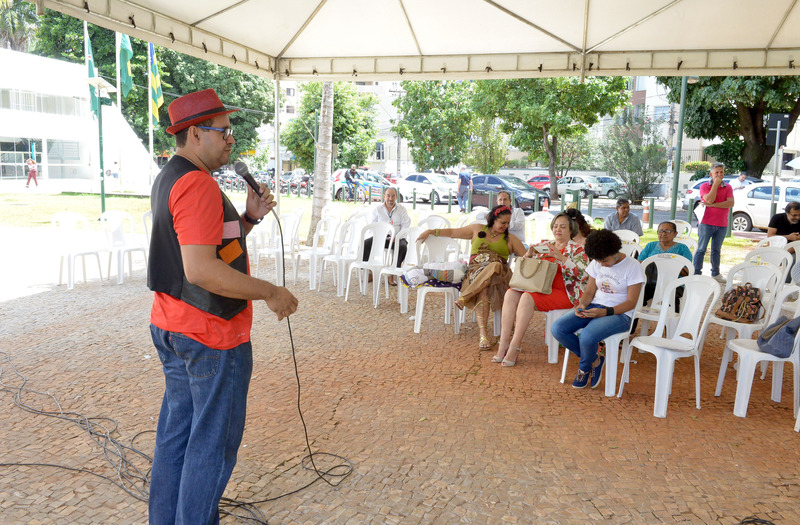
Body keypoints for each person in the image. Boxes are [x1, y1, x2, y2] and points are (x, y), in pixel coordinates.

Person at [146, 88, 298, 524]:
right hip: (209, 335)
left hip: (173, 326)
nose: (232, 139)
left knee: (177, 438)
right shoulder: (197, 185)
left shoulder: (171, 175)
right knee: (210, 447)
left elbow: (207, 251)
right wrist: (269, 291)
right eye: (224, 131)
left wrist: (248, 219)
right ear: (195, 133)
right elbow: (200, 270)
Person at [418, 205, 527, 350]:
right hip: (475, 273)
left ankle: (465, 297)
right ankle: (483, 335)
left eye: (508, 223)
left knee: (495, 265)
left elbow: (527, 257)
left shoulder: (510, 238)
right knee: (484, 290)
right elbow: (452, 232)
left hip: (500, 277)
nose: (506, 226)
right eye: (503, 223)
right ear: (493, 219)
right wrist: (432, 231)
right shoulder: (477, 229)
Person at [551, 229, 645, 389]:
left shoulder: (633, 266)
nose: (602, 264)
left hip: (620, 314)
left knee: (587, 336)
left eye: (605, 260)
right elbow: (589, 292)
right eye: (598, 261)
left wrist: (606, 312)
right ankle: (595, 360)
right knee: (558, 328)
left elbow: (631, 302)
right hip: (595, 307)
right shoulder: (597, 262)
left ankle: (583, 368)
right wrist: (582, 305)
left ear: (615, 251)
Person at [493, 213, 589, 367]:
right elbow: (527, 268)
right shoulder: (545, 245)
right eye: (555, 226)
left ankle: (515, 346)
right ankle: (503, 344)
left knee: (527, 297)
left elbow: (584, 276)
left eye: (563, 227)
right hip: (540, 286)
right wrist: (529, 255)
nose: (558, 230)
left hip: (565, 292)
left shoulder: (578, 249)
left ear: (571, 230)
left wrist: (562, 258)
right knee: (510, 293)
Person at [637, 221, 692, 312]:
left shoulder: (682, 248)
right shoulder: (651, 245)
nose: (663, 234)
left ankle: (671, 320)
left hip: (673, 285)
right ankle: (631, 320)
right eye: (660, 231)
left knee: (671, 301)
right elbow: (639, 264)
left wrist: (671, 265)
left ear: (675, 234)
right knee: (636, 297)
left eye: (667, 231)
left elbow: (688, 272)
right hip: (650, 283)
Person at [693, 162, 733, 282]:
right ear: (711, 174)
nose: (719, 175)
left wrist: (714, 205)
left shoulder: (728, 187)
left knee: (716, 250)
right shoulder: (704, 186)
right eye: (716, 172)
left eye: (721, 172)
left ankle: (715, 274)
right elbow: (709, 199)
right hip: (706, 222)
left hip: (722, 224)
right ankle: (696, 273)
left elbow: (730, 203)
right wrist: (715, 185)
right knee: (701, 248)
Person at [362, 187, 411, 285]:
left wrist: (397, 236)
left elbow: (406, 225)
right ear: (384, 196)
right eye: (388, 196)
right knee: (365, 244)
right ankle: (370, 271)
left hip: (397, 238)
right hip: (381, 238)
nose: (390, 199)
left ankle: (392, 273)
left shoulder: (401, 209)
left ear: (396, 197)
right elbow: (371, 226)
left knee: (402, 247)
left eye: (393, 196)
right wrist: (379, 237)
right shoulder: (377, 209)